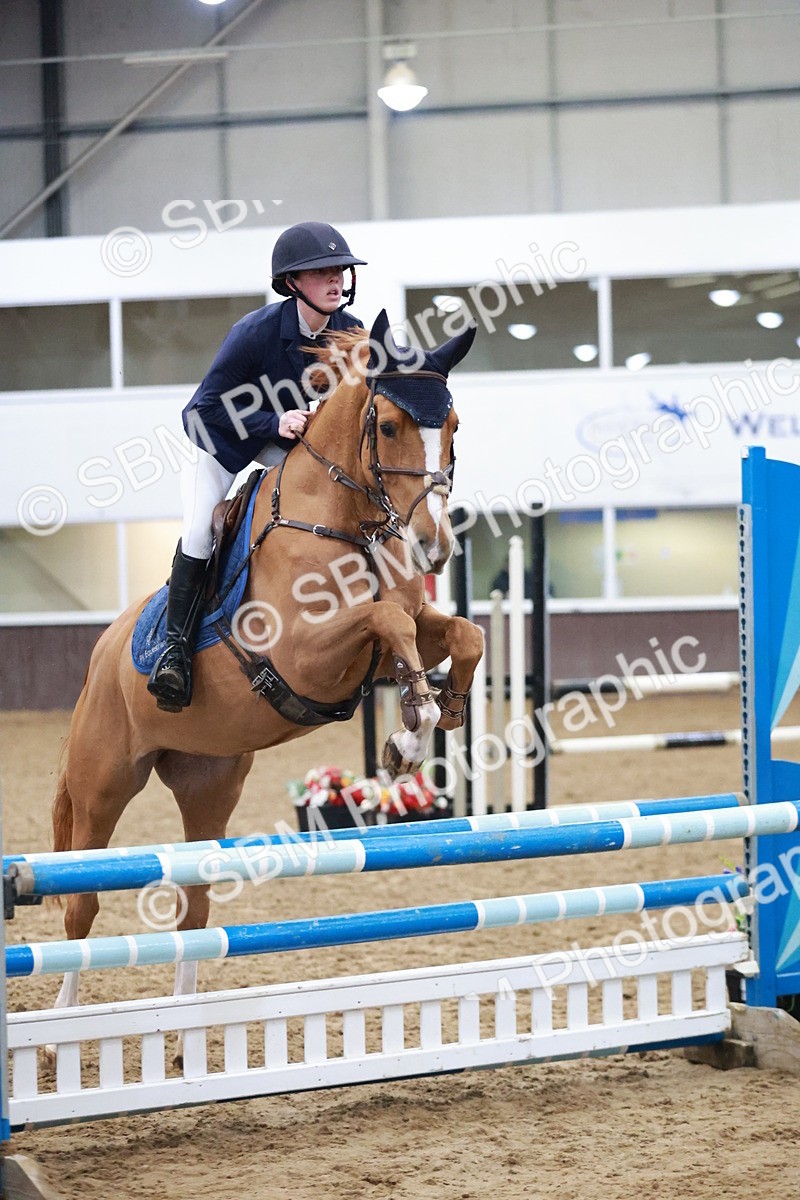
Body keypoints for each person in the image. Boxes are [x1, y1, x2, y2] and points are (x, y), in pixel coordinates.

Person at [147, 221, 367, 713]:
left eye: (340, 271)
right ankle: (174, 653)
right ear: (292, 283)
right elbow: (199, 412)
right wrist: (275, 419)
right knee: (201, 531)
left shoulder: (352, 334)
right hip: (222, 443)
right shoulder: (253, 332)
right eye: (322, 272)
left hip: (287, 446)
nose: (336, 280)